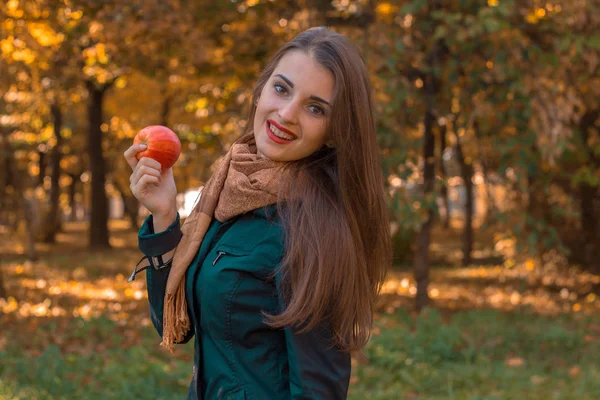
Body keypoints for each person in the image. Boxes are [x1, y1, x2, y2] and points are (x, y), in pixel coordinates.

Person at [124, 26, 392, 400]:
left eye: (315, 108)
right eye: (282, 89)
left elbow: (318, 391)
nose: (286, 114)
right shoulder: (230, 193)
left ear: (334, 131)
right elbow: (174, 326)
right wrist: (165, 216)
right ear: (260, 90)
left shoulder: (315, 230)